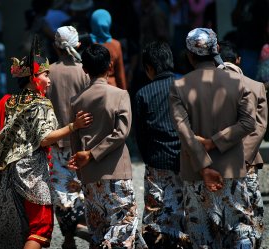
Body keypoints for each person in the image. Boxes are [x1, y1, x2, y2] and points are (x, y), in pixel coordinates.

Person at [0, 36, 92, 249]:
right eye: (45, 74)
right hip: (32, 174)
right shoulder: (41, 104)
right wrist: (74, 126)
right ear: (34, 78)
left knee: (14, 232)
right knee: (40, 229)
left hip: (8, 173)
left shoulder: (9, 102)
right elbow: (45, 139)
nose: (49, 79)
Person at [169, 28, 257, 248]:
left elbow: (183, 132)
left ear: (189, 56)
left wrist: (204, 166)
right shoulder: (238, 82)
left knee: (201, 236)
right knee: (239, 231)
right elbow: (248, 123)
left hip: (196, 172)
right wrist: (215, 141)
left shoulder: (178, 86)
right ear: (216, 49)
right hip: (232, 170)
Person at [68, 44, 146, 249]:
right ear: (110, 66)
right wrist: (94, 154)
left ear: (84, 69)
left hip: (89, 176)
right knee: (123, 225)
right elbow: (121, 133)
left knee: (98, 231)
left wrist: (82, 165)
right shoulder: (120, 95)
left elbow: (75, 141)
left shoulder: (76, 101)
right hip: (116, 171)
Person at [134, 41, 190, 248]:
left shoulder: (143, 94)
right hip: (187, 159)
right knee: (187, 211)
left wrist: (147, 157)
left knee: (155, 215)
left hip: (157, 161)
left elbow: (140, 135)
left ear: (149, 68)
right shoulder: (187, 86)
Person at [219, 40, 268, 248]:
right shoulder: (256, 86)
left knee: (223, 215)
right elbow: (259, 127)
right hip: (247, 162)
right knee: (250, 214)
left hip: (220, 161)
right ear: (238, 60)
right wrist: (244, 156)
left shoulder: (210, 86)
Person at [46, 26, 89, 249]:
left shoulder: (47, 73)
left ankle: (69, 237)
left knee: (61, 189)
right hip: (82, 141)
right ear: (78, 45)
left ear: (55, 46)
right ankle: (82, 223)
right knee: (81, 186)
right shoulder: (85, 72)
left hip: (55, 141)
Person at [90, 9, 127, 90]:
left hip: (92, 88)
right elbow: (120, 74)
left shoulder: (88, 43)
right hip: (112, 88)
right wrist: (125, 94)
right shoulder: (116, 44)